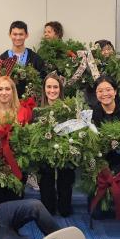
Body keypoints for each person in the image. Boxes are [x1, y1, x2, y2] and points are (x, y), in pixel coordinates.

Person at [91, 75, 120, 220]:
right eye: (100, 91)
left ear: (115, 91)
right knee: (97, 214)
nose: (105, 94)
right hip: (99, 163)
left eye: (108, 89)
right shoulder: (91, 114)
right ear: (96, 94)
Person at [35, 73, 75, 216]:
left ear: (61, 89)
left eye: (56, 87)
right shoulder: (37, 111)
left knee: (66, 179)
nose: (52, 90)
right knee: (46, 181)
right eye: (49, 87)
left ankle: (65, 205)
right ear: (44, 89)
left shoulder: (68, 109)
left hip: (65, 152)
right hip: (45, 154)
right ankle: (48, 206)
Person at [0, 20, 45, 98]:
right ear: (10, 35)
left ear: (26, 35)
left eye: (21, 34)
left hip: (29, 102)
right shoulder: (3, 58)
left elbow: (42, 81)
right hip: (7, 102)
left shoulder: (35, 59)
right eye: (15, 34)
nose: (18, 37)